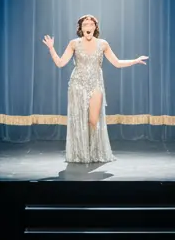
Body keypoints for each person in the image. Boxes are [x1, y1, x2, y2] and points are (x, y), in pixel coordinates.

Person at [42, 15, 148, 165]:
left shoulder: (103, 44)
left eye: (91, 24)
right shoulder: (74, 43)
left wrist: (135, 61)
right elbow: (60, 63)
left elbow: (117, 63)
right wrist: (51, 48)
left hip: (96, 84)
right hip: (77, 85)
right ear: (81, 28)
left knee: (93, 120)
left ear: (95, 28)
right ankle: (81, 153)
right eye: (85, 24)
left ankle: (95, 151)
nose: (88, 26)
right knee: (79, 120)